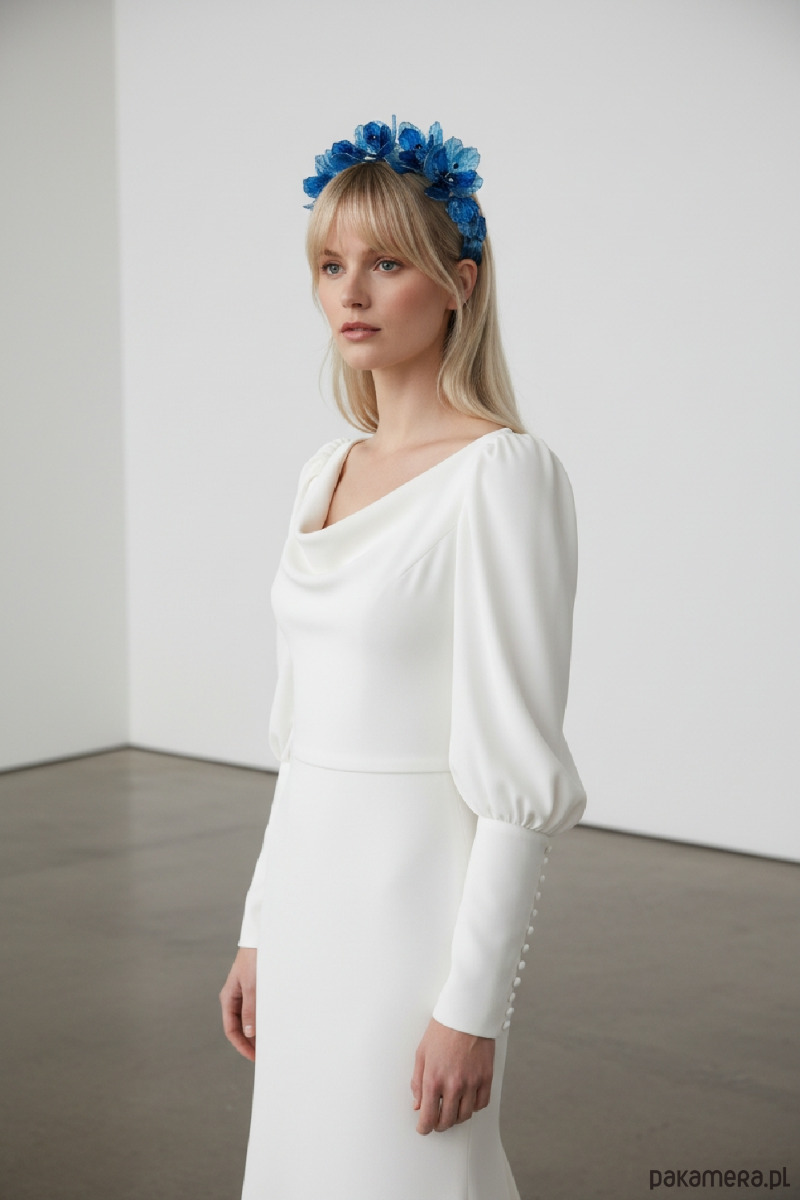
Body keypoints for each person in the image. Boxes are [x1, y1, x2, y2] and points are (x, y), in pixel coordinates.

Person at [219, 117, 586, 1200]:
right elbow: (300, 740)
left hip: (413, 915)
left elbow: (518, 778)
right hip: (307, 905)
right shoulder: (321, 472)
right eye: (332, 265)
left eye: (387, 263)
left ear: (459, 283)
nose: (353, 292)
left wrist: (472, 1007)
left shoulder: (501, 477)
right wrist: (257, 932)